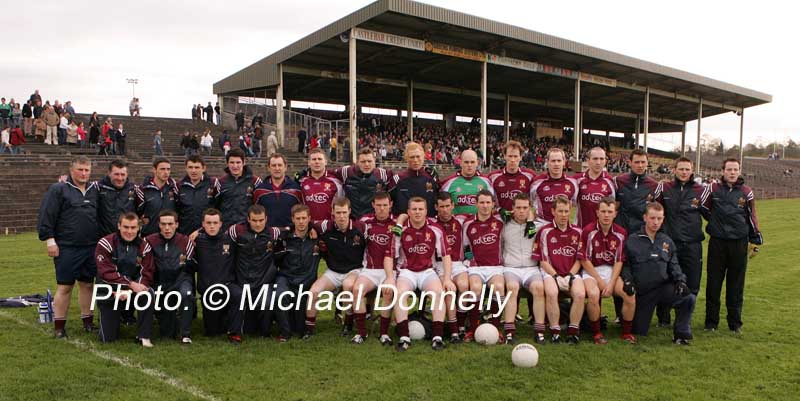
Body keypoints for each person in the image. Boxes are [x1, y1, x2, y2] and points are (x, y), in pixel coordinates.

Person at [37, 156, 101, 337]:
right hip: (66, 247)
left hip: (90, 247)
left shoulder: (94, 190)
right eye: (80, 169)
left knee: (88, 285)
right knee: (65, 286)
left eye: (87, 170)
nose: (83, 173)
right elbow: (47, 215)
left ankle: (87, 321)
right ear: (71, 170)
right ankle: (59, 327)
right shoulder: (59, 189)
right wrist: (50, 240)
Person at [700, 158, 763, 334]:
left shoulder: (746, 192)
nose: (732, 172)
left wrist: (755, 237)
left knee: (736, 285)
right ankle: (711, 323)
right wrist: (714, 223)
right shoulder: (712, 189)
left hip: (739, 243)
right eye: (729, 169)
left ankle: (735, 324)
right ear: (723, 171)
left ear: (739, 171)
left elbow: (751, 216)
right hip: (717, 243)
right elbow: (703, 208)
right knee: (714, 283)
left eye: (735, 169)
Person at [624, 202, 695, 344]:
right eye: (652, 218)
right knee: (639, 331)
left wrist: (680, 280)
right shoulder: (632, 240)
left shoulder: (667, 241)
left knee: (688, 298)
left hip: (662, 288)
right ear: (645, 217)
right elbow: (625, 265)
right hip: (642, 293)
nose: (655, 222)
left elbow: (674, 265)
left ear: (663, 219)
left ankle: (681, 334)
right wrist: (628, 280)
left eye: (659, 219)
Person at [392, 197, 455, 351]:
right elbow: (391, 255)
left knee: (438, 293)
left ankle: (437, 337)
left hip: (428, 271)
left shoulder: (436, 229)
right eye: (414, 209)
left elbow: (446, 256)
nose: (417, 212)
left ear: (426, 211)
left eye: (421, 209)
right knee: (400, 294)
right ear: (408, 212)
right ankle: (404, 337)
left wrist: (447, 278)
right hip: (407, 271)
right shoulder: (400, 230)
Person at [653, 156, 706, 326]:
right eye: (681, 169)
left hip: (692, 244)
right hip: (669, 243)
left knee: (692, 281)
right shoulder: (664, 187)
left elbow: (712, 215)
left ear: (692, 171)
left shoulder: (701, 191)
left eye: (687, 169)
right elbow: (654, 211)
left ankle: (684, 319)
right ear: (674, 169)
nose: (684, 172)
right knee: (665, 279)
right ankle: (664, 318)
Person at [303, 198, 366, 338]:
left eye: (344, 212)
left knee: (348, 286)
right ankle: (309, 329)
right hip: (333, 271)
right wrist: (311, 228)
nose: (341, 216)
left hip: (354, 269)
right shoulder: (325, 226)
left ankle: (348, 324)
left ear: (350, 211)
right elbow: (307, 222)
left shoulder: (361, 227)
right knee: (313, 292)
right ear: (332, 213)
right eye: (338, 213)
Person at [579, 197, 636, 344]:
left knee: (630, 296)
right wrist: (599, 281)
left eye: (610, 212)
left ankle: (626, 333)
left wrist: (610, 284)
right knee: (593, 294)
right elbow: (584, 260)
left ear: (615, 214)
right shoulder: (587, 231)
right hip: (592, 271)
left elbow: (618, 261)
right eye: (603, 211)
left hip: (611, 271)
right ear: (597, 212)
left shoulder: (621, 233)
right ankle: (597, 333)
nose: (606, 215)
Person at [94, 212, 156, 347]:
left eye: (133, 228)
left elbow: (147, 272)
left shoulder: (144, 246)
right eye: (126, 227)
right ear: (119, 226)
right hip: (110, 292)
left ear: (139, 228)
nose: (129, 231)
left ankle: (144, 336)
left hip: (131, 291)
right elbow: (106, 273)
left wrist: (130, 289)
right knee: (107, 339)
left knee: (148, 293)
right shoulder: (105, 243)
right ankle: (113, 318)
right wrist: (127, 285)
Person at [532, 195, 585, 344]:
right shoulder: (544, 231)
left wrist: (569, 276)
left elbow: (579, 259)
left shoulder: (578, 232)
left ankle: (573, 332)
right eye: (560, 211)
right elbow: (543, 260)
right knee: (551, 292)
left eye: (566, 211)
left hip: (571, 272)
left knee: (580, 294)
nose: (564, 215)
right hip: (550, 272)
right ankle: (555, 331)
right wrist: (555, 276)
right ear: (553, 211)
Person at [227, 205, 283, 338]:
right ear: (248, 219)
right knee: (239, 300)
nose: (258, 224)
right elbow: (218, 233)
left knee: (267, 303)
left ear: (266, 219)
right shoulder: (236, 231)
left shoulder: (274, 233)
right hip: (242, 280)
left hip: (263, 281)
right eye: (254, 220)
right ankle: (235, 333)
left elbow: (294, 228)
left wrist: (311, 229)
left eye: (261, 220)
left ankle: (265, 332)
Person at [350, 192, 397, 345]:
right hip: (370, 269)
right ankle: (361, 333)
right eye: (378, 205)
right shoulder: (365, 222)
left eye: (385, 205)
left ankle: (384, 333)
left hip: (390, 270)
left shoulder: (398, 223)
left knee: (388, 292)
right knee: (357, 290)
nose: (382, 209)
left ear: (390, 205)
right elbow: (346, 225)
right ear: (373, 205)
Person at [192, 209, 243, 343]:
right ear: (203, 224)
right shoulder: (197, 241)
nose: (212, 226)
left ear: (221, 224)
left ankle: (235, 333)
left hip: (227, 285)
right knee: (212, 332)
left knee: (238, 294)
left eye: (215, 222)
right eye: (208, 223)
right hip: (209, 290)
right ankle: (221, 322)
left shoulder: (230, 240)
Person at [461, 190, 506, 344]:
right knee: (475, 288)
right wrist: (471, 260)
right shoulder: (468, 224)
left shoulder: (501, 221)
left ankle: (495, 328)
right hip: (476, 268)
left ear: (493, 204)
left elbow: (525, 213)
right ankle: (473, 328)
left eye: (488, 202)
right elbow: (466, 247)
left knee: (499, 287)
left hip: (496, 267)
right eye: (482, 202)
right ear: (476, 204)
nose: (485, 206)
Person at [146, 210, 196, 344]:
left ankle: (186, 334)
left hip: (180, 280)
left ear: (177, 224)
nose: (167, 228)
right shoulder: (149, 241)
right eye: (163, 224)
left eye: (170, 224)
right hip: (159, 283)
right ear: (159, 225)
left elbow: (191, 267)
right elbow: (146, 267)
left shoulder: (186, 241)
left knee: (187, 294)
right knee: (167, 333)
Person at [501, 194, 544, 344]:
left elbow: (557, 223)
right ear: (512, 209)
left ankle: (539, 331)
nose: (521, 211)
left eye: (525, 208)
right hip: (510, 268)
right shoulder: (504, 225)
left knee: (539, 288)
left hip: (531, 268)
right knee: (512, 288)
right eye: (518, 208)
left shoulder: (538, 226)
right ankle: (509, 331)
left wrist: (531, 220)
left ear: (530, 209)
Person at [273, 205, 321, 340]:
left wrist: (313, 228)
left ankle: (297, 325)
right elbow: (274, 259)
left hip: (306, 283)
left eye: (304, 218)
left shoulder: (318, 238)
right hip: (286, 279)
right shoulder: (284, 238)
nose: (301, 222)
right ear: (292, 219)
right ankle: (284, 333)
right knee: (279, 296)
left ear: (309, 219)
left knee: (299, 328)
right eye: (298, 218)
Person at [334, 148, 391, 219]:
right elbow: (327, 176)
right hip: (351, 219)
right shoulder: (345, 172)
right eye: (363, 161)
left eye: (369, 161)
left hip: (372, 219)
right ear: (357, 162)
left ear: (374, 161)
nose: (367, 164)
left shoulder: (383, 174)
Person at [530, 148, 579, 229]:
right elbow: (530, 202)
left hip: (563, 227)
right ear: (547, 162)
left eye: (559, 161)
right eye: (553, 161)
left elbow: (575, 204)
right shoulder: (537, 182)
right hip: (541, 226)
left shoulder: (573, 183)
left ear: (564, 162)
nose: (556, 164)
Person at [214, 149, 262, 229]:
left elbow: (261, 206)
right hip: (226, 229)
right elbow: (215, 207)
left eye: (238, 162)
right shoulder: (220, 182)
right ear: (227, 164)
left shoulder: (255, 181)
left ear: (244, 163)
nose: (235, 166)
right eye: (232, 162)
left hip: (248, 230)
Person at [388, 142, 438, 217]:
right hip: (404, 225)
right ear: (406, 158)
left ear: (423, 156)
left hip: (428, 225)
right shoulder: (397, 179)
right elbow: (387, 202)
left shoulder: (432, 178)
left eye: (418, 156)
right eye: (412, 157)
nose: (415, 160)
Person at [614, 149, 658, 234]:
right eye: (637, 162)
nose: (640, 165)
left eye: (643, 162)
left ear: (647, 163)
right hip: (620, 231)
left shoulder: (654, 185)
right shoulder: (618, 181)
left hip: (641, 233)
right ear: (630, 163)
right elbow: (614, 206)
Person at [439, 149, 494, 216]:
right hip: (457, 225)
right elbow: (441, 206)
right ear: (461, 163)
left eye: (472, 162)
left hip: (478, 225)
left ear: (477, 163)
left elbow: (494, 205)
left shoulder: (487, 181)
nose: (469, 165)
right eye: (466, 162)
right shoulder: (448, 183)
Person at [253, 153, 302, 228]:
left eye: (280, 165)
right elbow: (254, 212)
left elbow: (301, 211)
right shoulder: (260, 189)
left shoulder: (296, 189)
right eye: (273, 165)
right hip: (267, 233)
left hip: (289, 234)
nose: (277, 168)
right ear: (268, 168)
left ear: (285, 167)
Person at [488, 140, 536, 214]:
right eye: (510, 156)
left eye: (515, 156)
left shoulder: (530, 176)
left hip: (522, 220)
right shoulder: (493, 177)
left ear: (520, 157)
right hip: (500, 219)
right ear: (504, 156)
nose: (512, 160)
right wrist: (499, 210)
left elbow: (535, 201)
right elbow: (488, 202)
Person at [136, 158, 179, 237]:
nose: (166, 172)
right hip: (149, 235)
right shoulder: (143, 189)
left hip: (170, 235)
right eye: (162, 169)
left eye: (168, 169)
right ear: (154, 170)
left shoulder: (175, 188)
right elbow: (136, 213)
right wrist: (142, 223)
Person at [298, 148, 344, 221]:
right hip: (309, 228)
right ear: (309, 162)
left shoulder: (336, 182)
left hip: (329, 227)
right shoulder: (301, 182)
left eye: (320, 159)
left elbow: (342, 206)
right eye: (314, 159)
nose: (317, 162)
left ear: (325, 162)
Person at [576, 147, 616, 227]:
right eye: (595, 159)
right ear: (588, 160)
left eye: (601, 159)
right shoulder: (577, 180)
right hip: (582, 228)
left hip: (602, 231)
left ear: (605, 161)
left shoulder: (610, 181)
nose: (598, 162)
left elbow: (613, 205)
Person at [97, 159, 137, 237]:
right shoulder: (98, 188)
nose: (120, 178)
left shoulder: (134, 189)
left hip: (127, 238)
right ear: (109, 173)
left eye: (123, 174)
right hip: (104, 238)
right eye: (116, 174)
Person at [177, 155, 216, 235]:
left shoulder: (213, 184)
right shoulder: (179, 186)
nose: (193, 171)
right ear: (186, 168)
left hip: (207, 234)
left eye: (197, 167)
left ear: (203, 168)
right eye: (190, 167)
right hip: (185, 234)